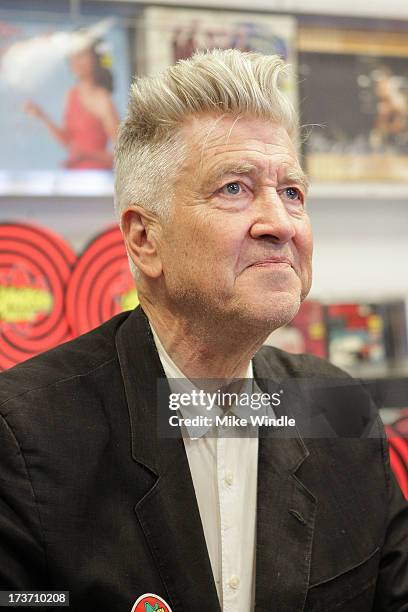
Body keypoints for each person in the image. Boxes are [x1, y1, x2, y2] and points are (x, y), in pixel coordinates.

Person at [1, 49, 407, 612]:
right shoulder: (26, 432)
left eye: (292, 192)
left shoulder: (336, 408)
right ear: (145, 240)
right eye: (234, 188)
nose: (281, 224)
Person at [24, 39, 119, 169]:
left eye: (81, 55)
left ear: (95, 58)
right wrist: (42, 116)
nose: (75, 61)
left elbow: (122, 154)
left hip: (98, 179)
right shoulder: (71, 94)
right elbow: (67, 141)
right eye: (72, 56)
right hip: (75, 179)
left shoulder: (103, 100)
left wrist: (87, 155)